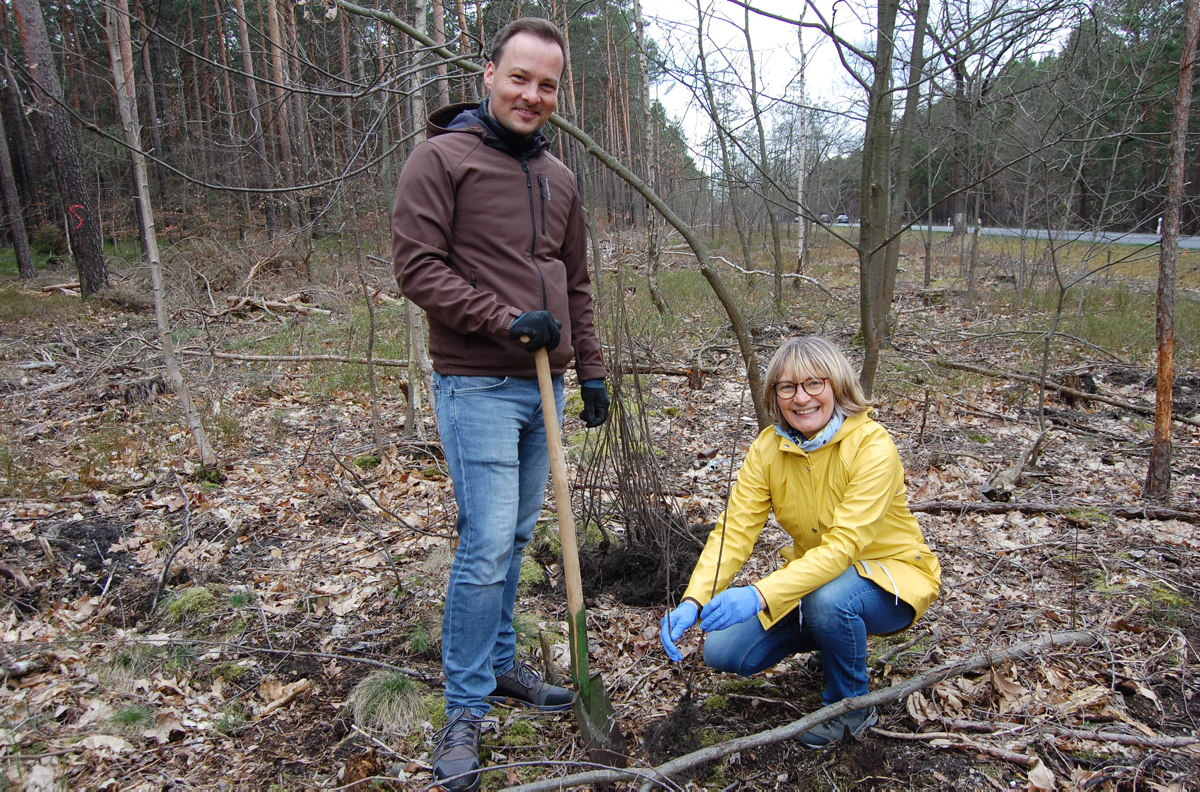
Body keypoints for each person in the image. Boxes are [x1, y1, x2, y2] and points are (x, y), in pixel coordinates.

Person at [392, 17, 609, 791]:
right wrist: (505, 321)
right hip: (476, 383)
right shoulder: (440, 158)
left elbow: (574, 281)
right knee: (484, 544)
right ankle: (463, 710)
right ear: (488, 73)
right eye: (520, 77)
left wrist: (590, 371)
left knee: (515, 540)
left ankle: (505, 663)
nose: (532, 95)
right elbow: (417, 268)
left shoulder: (561, 178)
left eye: (547, 84)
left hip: (545, 386)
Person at [660, 336, 940, 748]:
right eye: (787, 387)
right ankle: (835, 640)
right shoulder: (768, 449)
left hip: (890, 580)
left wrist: (758, 596)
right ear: (775, 393)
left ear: (837, 386)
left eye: (814, 384)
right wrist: (694, 599)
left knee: (830, 600)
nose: (801, 397)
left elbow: (843, 548)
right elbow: (735, 531)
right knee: (725, 651)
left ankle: (851, 708)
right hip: (816, 583)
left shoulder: (872, 446)